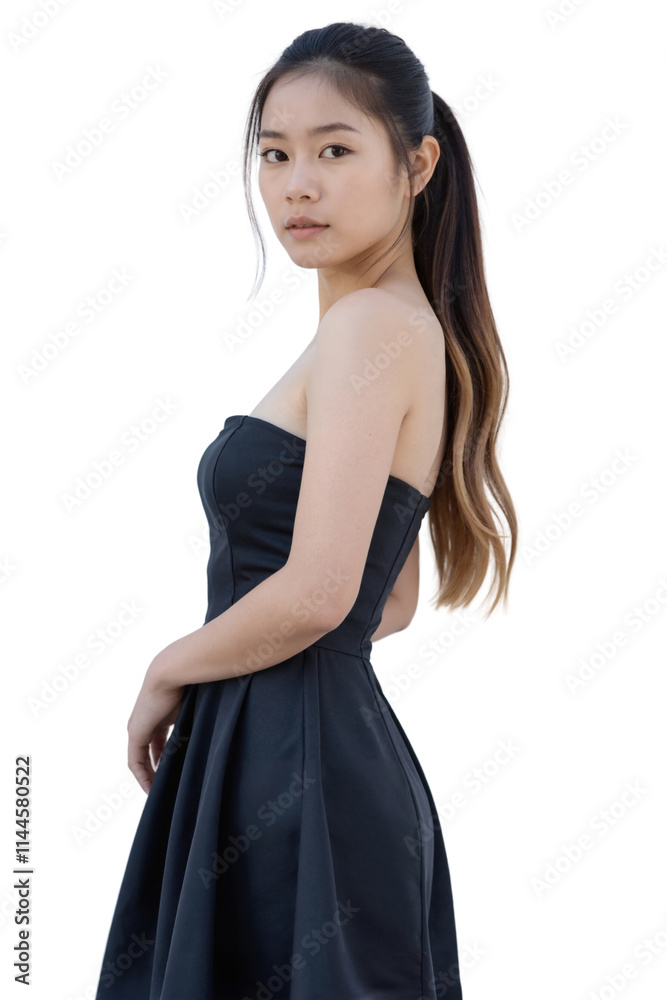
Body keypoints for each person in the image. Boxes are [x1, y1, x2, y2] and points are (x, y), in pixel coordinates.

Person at [95, 21, 517, 1000]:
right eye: (274, 155)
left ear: (417, 165)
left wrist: (167, 669)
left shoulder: (374, 326)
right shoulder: (398, 331)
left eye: (335, 149)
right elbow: (391, 595)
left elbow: (325, 592)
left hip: (293, 760)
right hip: (289, 749)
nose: (297, 184)